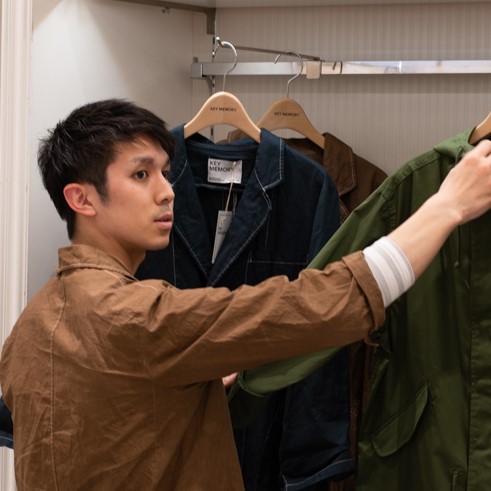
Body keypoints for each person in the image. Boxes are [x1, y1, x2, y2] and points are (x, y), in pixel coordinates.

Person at [1, 98, 491, 491]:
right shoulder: (139, 319)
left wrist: (181, 390)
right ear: (81, 198)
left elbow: (96, 432)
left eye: (165, 172)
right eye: (141, 174)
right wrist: (447, 207)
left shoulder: (34, 323)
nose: (167, 191)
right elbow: (324, 302)